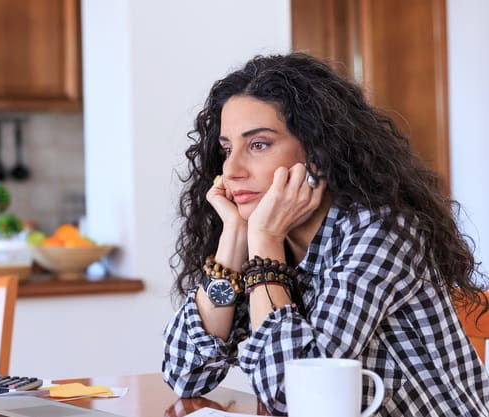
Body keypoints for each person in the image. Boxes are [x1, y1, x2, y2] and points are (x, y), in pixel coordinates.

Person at [162, 53, 489, 416]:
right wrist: (233, 239)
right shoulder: (263, 234)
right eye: (227, 149)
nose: (232, 169)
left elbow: (294, 393)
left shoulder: (382, 230)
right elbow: (185, 374)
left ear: (318, 151)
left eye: (258, 145)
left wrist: (265, 243)